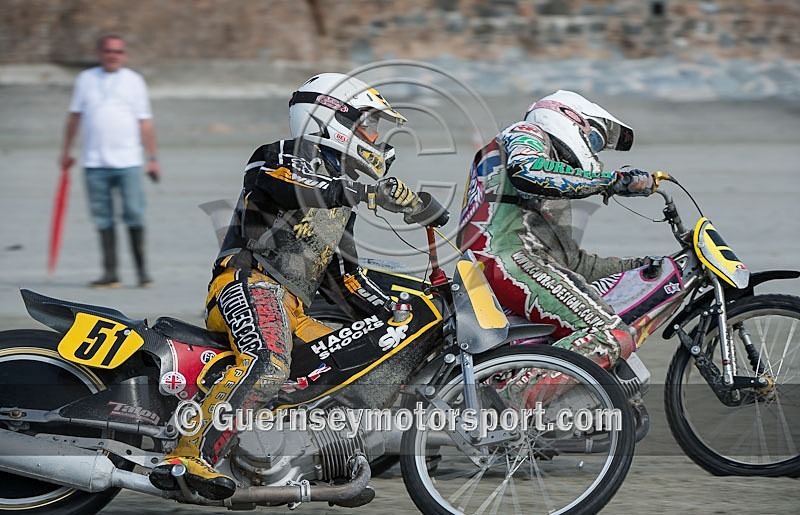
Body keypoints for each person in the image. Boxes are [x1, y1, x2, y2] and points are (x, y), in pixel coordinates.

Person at [148, 73, 418, 500]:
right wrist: (368, 192)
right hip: (248, 283)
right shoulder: (280, 155)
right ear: (330, 120)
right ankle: (188, 455)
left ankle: (320, 463)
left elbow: (346, 279)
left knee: (352, 365)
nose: (375, 136)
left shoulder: (341, 202)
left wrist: (404, 310)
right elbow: (298, 189)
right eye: (368, 124)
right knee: (269, 361)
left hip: (293, 309)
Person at [459, 90, 655, 373]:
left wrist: (643, 267)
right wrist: (610, 181)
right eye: (594, 140)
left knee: (606, 337)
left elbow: (571, 263)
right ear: (567, 117)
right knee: (607, 335)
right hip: (503, 259)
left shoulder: (550, 186)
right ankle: (513, 396)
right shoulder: (525, 132)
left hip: (506, 263)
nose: (593, 151)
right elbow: (527, 171)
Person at [59, 34, 160, 288]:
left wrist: (152, 158)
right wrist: (66, 151)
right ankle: (111, 273)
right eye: (108, 51)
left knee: (134, 214)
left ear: (124, 55)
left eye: (117, 51)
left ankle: (142, 273)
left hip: (129, 162)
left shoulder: (134, 81)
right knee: (103, 218)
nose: (112, 56)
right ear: (100, 53)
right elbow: (74, 117)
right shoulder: (85, 79)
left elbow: (145, 122)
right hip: (94, 163)